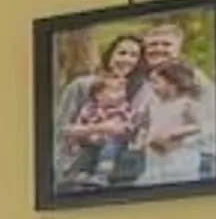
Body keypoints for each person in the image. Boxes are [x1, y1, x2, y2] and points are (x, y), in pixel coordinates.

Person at [56, 35, 147, 190]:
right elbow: (60, 129)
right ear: (110, 55)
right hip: (76, 169)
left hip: (123, 174)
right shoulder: (81, 85)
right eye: (122, 53)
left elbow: (139, 132)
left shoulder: (142, 90)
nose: (127, 60)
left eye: (134, 55)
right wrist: (99, 129)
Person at [136, 57, 214, 185]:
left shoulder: (186, 104)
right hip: (154, 158)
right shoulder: (154, 105)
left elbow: (201, 126)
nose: (152, 87)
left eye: (156, 82)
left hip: (179, 156)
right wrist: (142, 136)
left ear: (173, 84)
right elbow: (147, 125)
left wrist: (177, 132)